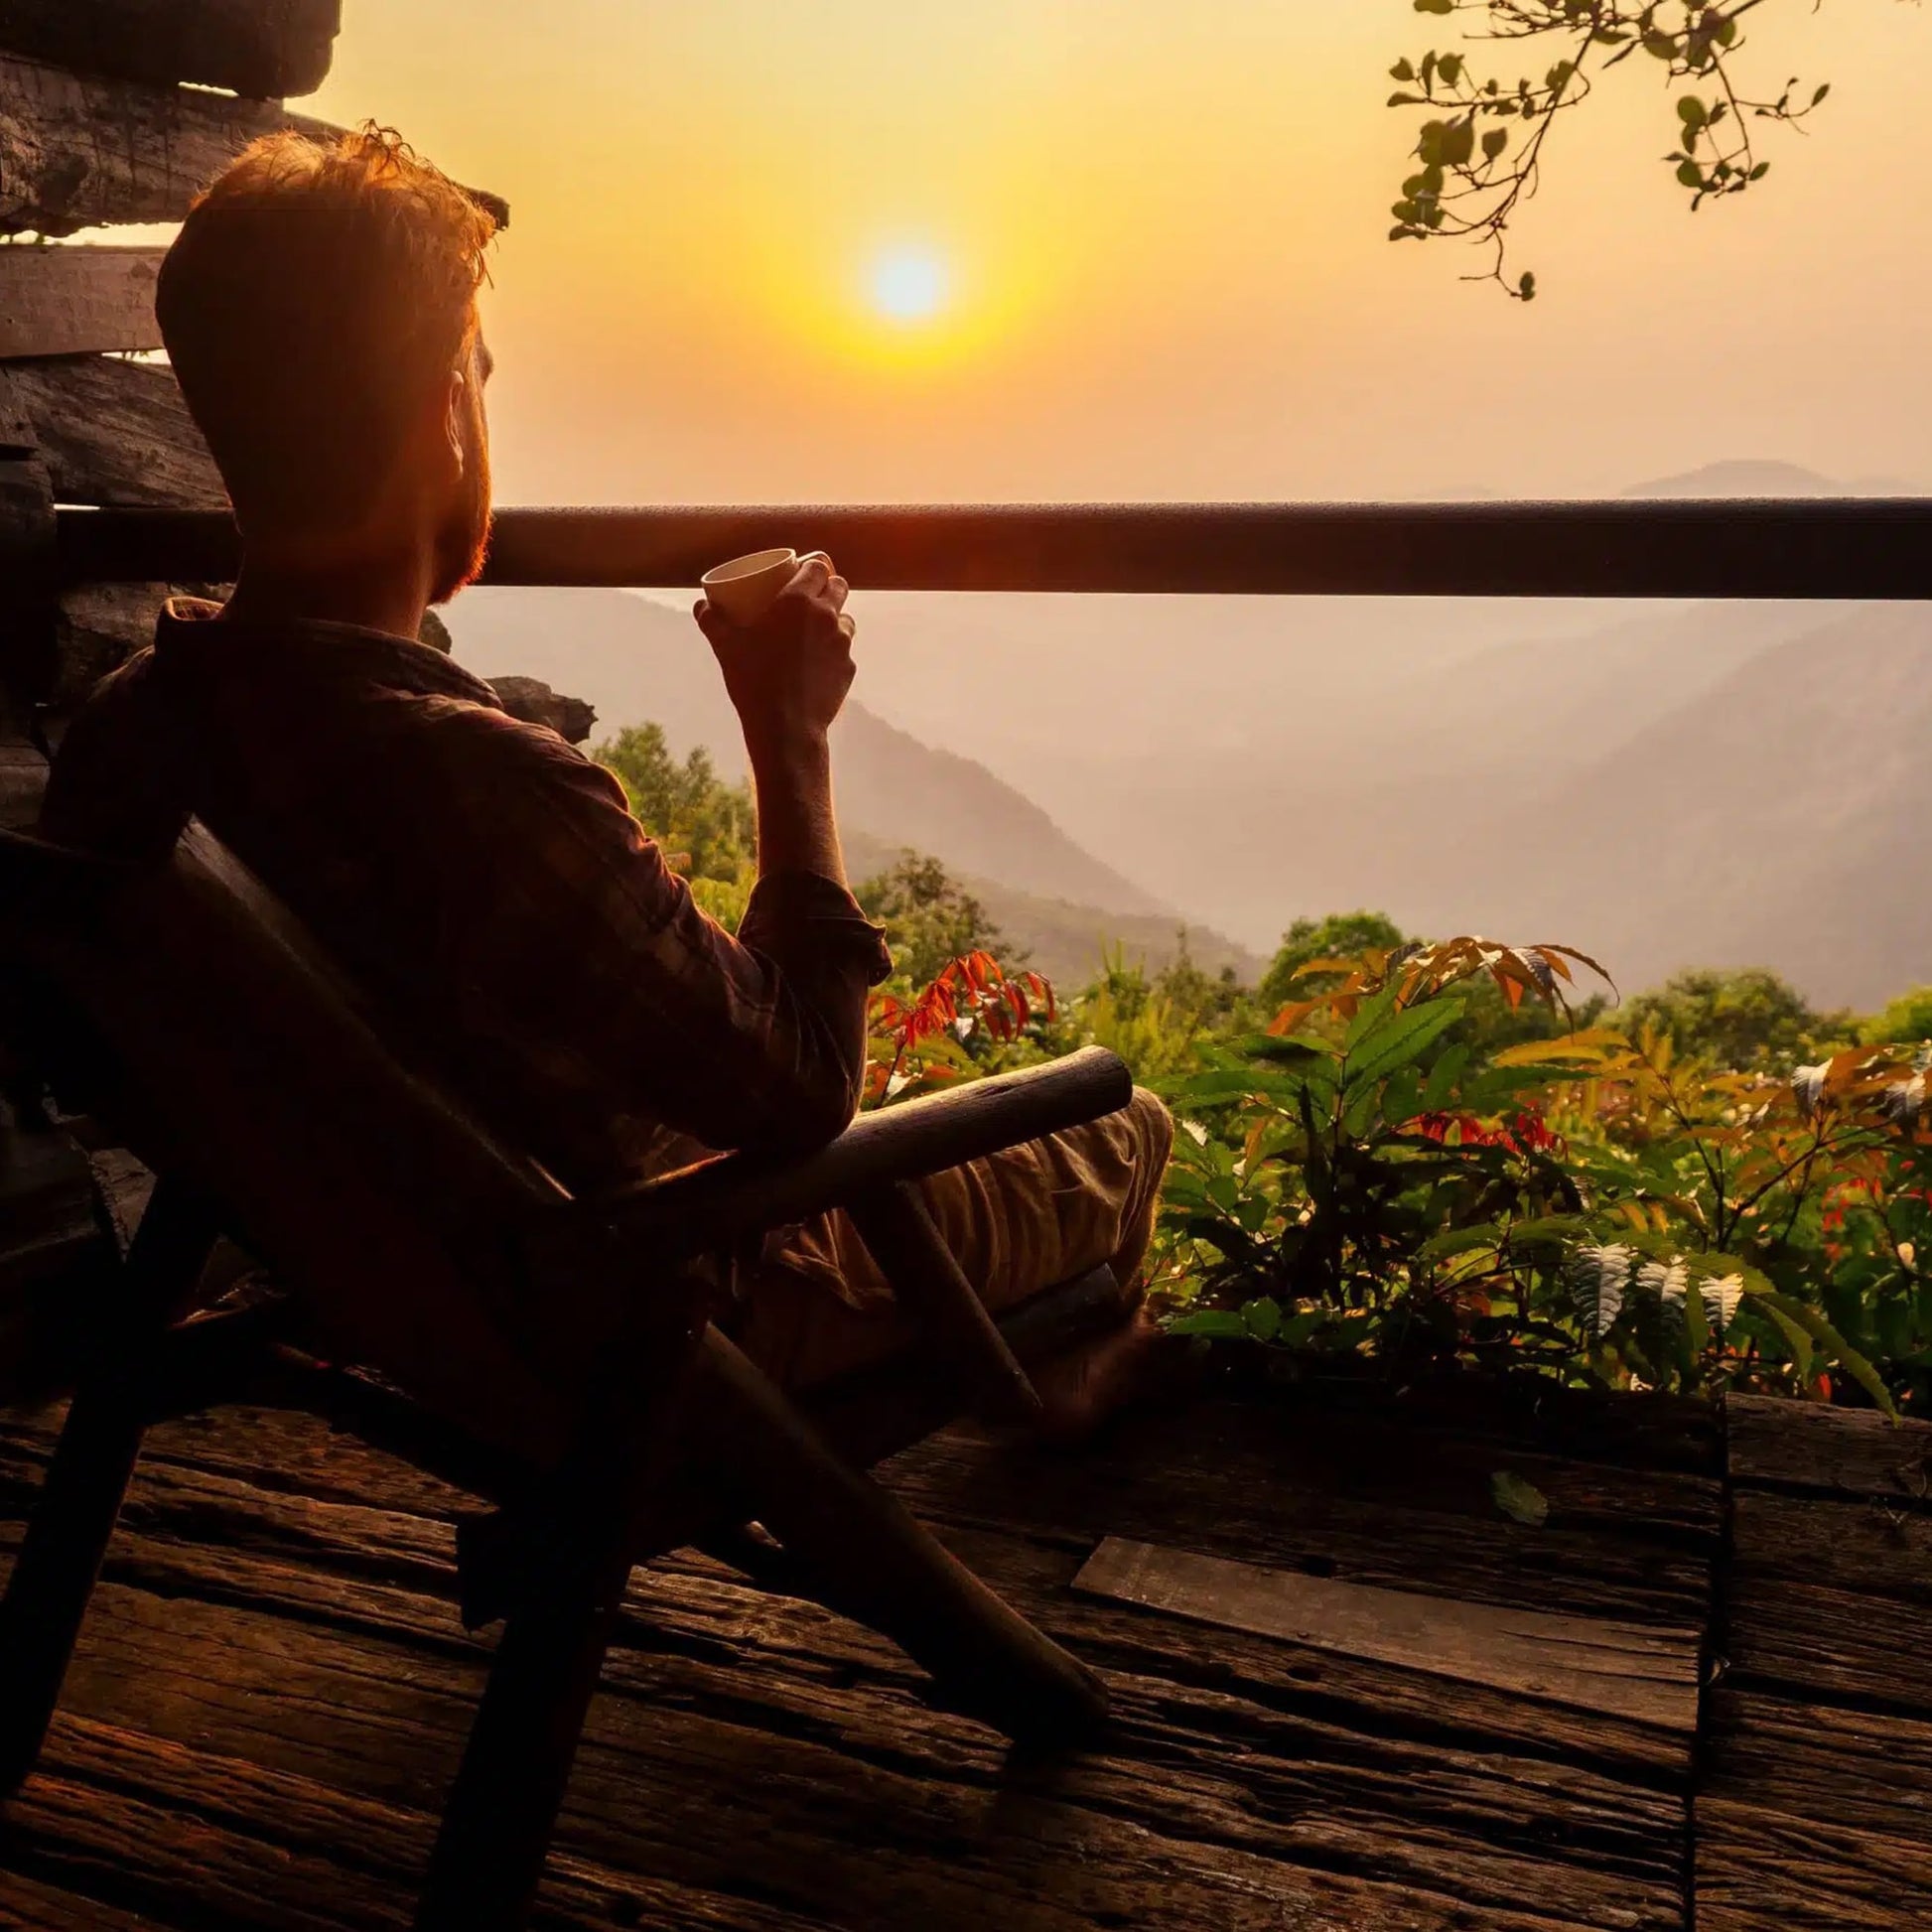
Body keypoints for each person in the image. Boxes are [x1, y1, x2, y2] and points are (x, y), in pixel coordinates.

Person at [40, 127, 1173, 1430]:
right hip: (653, 1314)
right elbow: (804, 1090)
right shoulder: (475, 784)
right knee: (1118, 1119)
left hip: (406, 1298)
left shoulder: (136, 729)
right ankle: (1054, 1449)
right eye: (479, 368)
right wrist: (788, 733)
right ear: (442, 413)